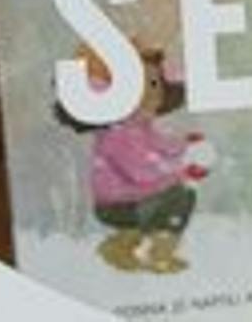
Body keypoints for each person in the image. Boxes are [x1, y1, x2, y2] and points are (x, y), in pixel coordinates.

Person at [61, 46, 212, 274]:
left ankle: (121, 246)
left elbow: (159, 146)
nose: (153, 94)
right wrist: (181, 166)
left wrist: (183, 146)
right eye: (141, 86)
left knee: (168, 196)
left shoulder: (138, 126)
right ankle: (159, 251)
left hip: (132, 201)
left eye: (155, 84)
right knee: (180, 195)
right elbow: (142, 170)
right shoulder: (117, 133)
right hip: (119, 205)